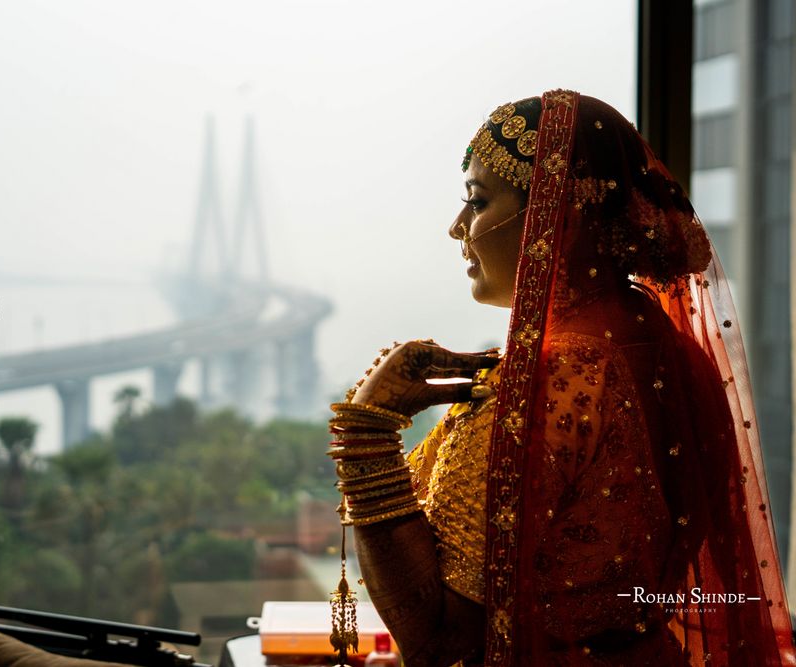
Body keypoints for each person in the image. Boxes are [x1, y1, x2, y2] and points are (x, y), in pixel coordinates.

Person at [327, 90, 796, 666]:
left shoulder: (557, 376)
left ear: (560, 215)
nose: (457, 228)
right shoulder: (670, 350)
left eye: (476, 201)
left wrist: (367, 432)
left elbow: (438, 637)